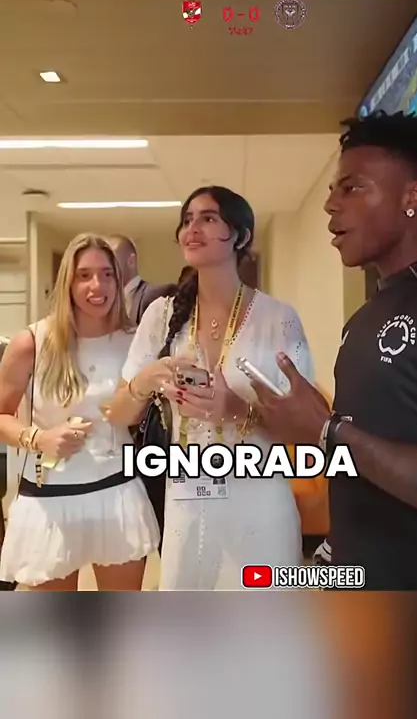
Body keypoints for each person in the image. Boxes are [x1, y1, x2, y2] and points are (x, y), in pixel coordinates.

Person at [251, 110, 417, 591]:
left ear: (412, 197)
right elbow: (363, 461)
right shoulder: (362, 320)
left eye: (352, 188)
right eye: (333, 190)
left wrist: (327, 430)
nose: (330, 205)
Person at [108, 185, 314, 590]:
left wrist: (237, 409)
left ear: (241, 235)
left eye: (208, 218)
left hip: (258, 501)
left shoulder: (279, 319)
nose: (192, 229)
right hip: (186, 502)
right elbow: (117, 414)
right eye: (187, 220)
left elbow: (307, 428)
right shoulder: (161, 315)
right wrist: (145, 382)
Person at [0, 233, 160, 590]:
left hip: (116, 492)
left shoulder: (134, 341)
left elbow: (137, 416)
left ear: (118, 280)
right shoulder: (33, 342)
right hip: (50, 499)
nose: (97, 286)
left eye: (107, 274)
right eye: (84, 275)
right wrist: (38, 438)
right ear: (67, 282)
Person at [108, 234, 177, 325]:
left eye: (111, 259)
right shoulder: (106, 301)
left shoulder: (159, 294)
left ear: (131, 261)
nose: (106, 266)